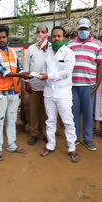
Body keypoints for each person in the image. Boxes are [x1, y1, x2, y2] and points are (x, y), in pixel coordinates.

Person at [0, 24, 32, 161]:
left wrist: (27, 74)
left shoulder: (12, 51)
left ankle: (11, 144)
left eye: (4, 37)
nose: (2, 40)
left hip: (13, 91)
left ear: (7, 37)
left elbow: (19, 68)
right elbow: (1, 71)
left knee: (11, 120)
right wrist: (22, 76)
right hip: (0, 92)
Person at [38, 26, 78, 162]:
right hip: (49, 92)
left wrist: (48, 75)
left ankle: (72, 148)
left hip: (63, 93)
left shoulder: (69, 53)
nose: (56, 38)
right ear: (51, 37)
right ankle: (50, 145)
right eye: (54, 36)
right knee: (50, 121)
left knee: (68, 121)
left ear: (64, 38)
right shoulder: (48, 52)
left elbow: (67, 73)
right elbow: (45, 69)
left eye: (59, 36)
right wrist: (43, 76)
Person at [67, 18, 102, 151]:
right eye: (81, 29)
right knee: (74, 113)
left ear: (90, 29)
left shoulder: (97, 44)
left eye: (85, 28)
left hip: (89, 85)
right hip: (73, 85)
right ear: (77, 29)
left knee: (89, 114)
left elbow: (101, 63)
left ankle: (88, 139)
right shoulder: (70, 44)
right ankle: (76, 137)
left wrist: (98, 81)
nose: (83, 31)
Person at [24, 24, 50, 145]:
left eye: (43, 31)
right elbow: (26, 66)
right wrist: (26, 82)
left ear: (47, 34)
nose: (40, 34)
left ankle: (45, 133)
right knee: (33, 109)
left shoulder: (51, 48)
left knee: (46, 111)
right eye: (38, 32)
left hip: (48, 86)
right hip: (34, 84)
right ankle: (34, 134)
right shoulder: (31, 49)